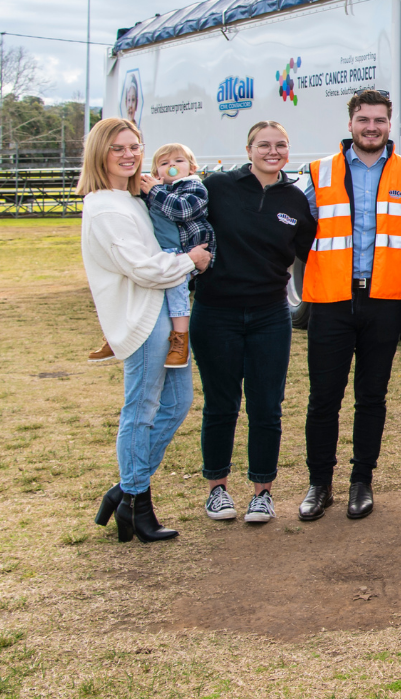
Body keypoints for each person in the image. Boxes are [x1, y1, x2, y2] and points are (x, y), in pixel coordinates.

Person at [297, 89, 401, 522]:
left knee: (372, 397)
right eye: (363, 119)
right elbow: (288, 223)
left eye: (379, 120)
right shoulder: (317, 172)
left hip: (386, 301)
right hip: (332, 301)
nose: (371, 127)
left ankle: (361, 481)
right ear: (350, 123)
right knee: (323, 399)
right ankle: (320, 484)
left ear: (391, 125)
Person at [80, 118, 211, 543]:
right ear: (100, 153)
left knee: (176, 403)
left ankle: (124, 490)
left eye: (134, 146)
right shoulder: (103, 206)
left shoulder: (132, 196)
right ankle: (137, 504)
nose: (129, 154)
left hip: (163, 309)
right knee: (141, 409)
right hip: (143, 315)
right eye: (118, 148)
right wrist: (191, 260)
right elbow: (142, 266)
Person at [192, 121, 316, 525]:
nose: (272, 151)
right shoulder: (216, 187)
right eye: (264, 145)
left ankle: (262, 492)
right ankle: (217, 490)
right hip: (216, 311)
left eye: (281, 145)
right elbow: (179, 219)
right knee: (221, 404)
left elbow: (309, 252)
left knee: (267, 406)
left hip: (269, 315)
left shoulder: (296, 200)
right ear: (248, 150)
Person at [101, 142, 213, 370]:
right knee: (137, 294)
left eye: (178, 161)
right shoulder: (158, 190)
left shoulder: (193, 187)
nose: (172, 165)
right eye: (164, 163)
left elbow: (182, 210)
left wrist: (154, 190)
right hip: (158, 251)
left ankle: (180, 342)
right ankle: (116, 337)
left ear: (192, 167)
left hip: (184, 250)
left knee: (177, 295)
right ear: (156, 173)